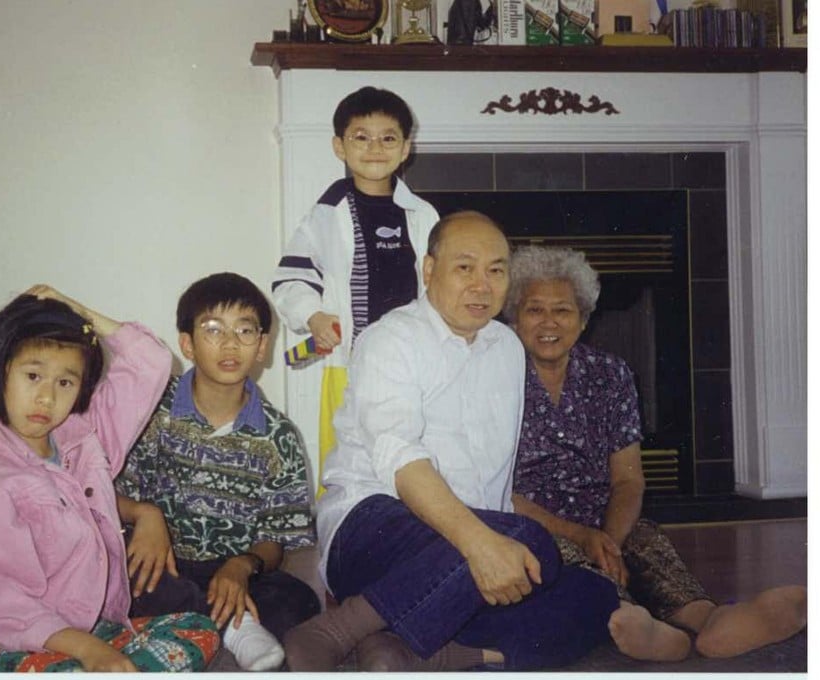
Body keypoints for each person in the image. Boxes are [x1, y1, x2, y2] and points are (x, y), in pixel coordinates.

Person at [282, 211, 623, 673]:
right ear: (429, 270)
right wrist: (484, 546)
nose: (482, 285)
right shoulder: (390, 340)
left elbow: (497, 489)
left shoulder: (507, 349)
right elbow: (401, 462)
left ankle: (413, 647)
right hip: (371, 530)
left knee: (593, 593)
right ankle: (337, 631)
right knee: (527, 542)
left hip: (454, 562)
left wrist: (493, 553)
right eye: (465, 267)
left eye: (496, 270)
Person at [505, 244, 809, 660]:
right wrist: (584, 538)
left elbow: (629, 479)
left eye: (563, 310)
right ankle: (638, 622)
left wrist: (609, 541)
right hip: (539, 526)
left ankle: (708, 621)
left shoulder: (611, 374)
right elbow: (504, 492)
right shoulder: (495, 378)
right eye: (535, 310)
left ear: (583, 318)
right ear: (514, 317)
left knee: (647, 542)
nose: (549, 323)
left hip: (606, 518)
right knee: (573, 566)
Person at [0, 286, 219, 672]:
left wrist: (78, 313)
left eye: (65, 383)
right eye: (33, 375)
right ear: (0, 373)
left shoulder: (84, 439)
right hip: (6, 634)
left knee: (201, 631)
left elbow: (150, 361)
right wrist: (88, 649)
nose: (47, 398)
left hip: (90, 624)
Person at [115, 272, 320, 671]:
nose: (230, 344)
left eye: (245, 331)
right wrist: (145, 514)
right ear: (187, 343)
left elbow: (276, 540)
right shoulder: (150, 411)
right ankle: (233, 627)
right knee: (122, 577)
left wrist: (242, 566)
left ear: (262, 346)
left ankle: (194, 624)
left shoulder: (279, 437)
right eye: (213, 330)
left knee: (299, 600)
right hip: (163, 563)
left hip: (233, 568)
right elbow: (101, 492)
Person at [271, 86, 440, 488]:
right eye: (361, 137)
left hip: (412, 360)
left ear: (405, 149)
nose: (375, 148)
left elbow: (441, 282)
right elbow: (292, 275)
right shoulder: (326, 214)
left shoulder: (423, 214)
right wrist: (312, 316)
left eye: (388, 138)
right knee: (350, 455)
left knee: (413, 447)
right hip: (349, 362)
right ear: (339, 146)